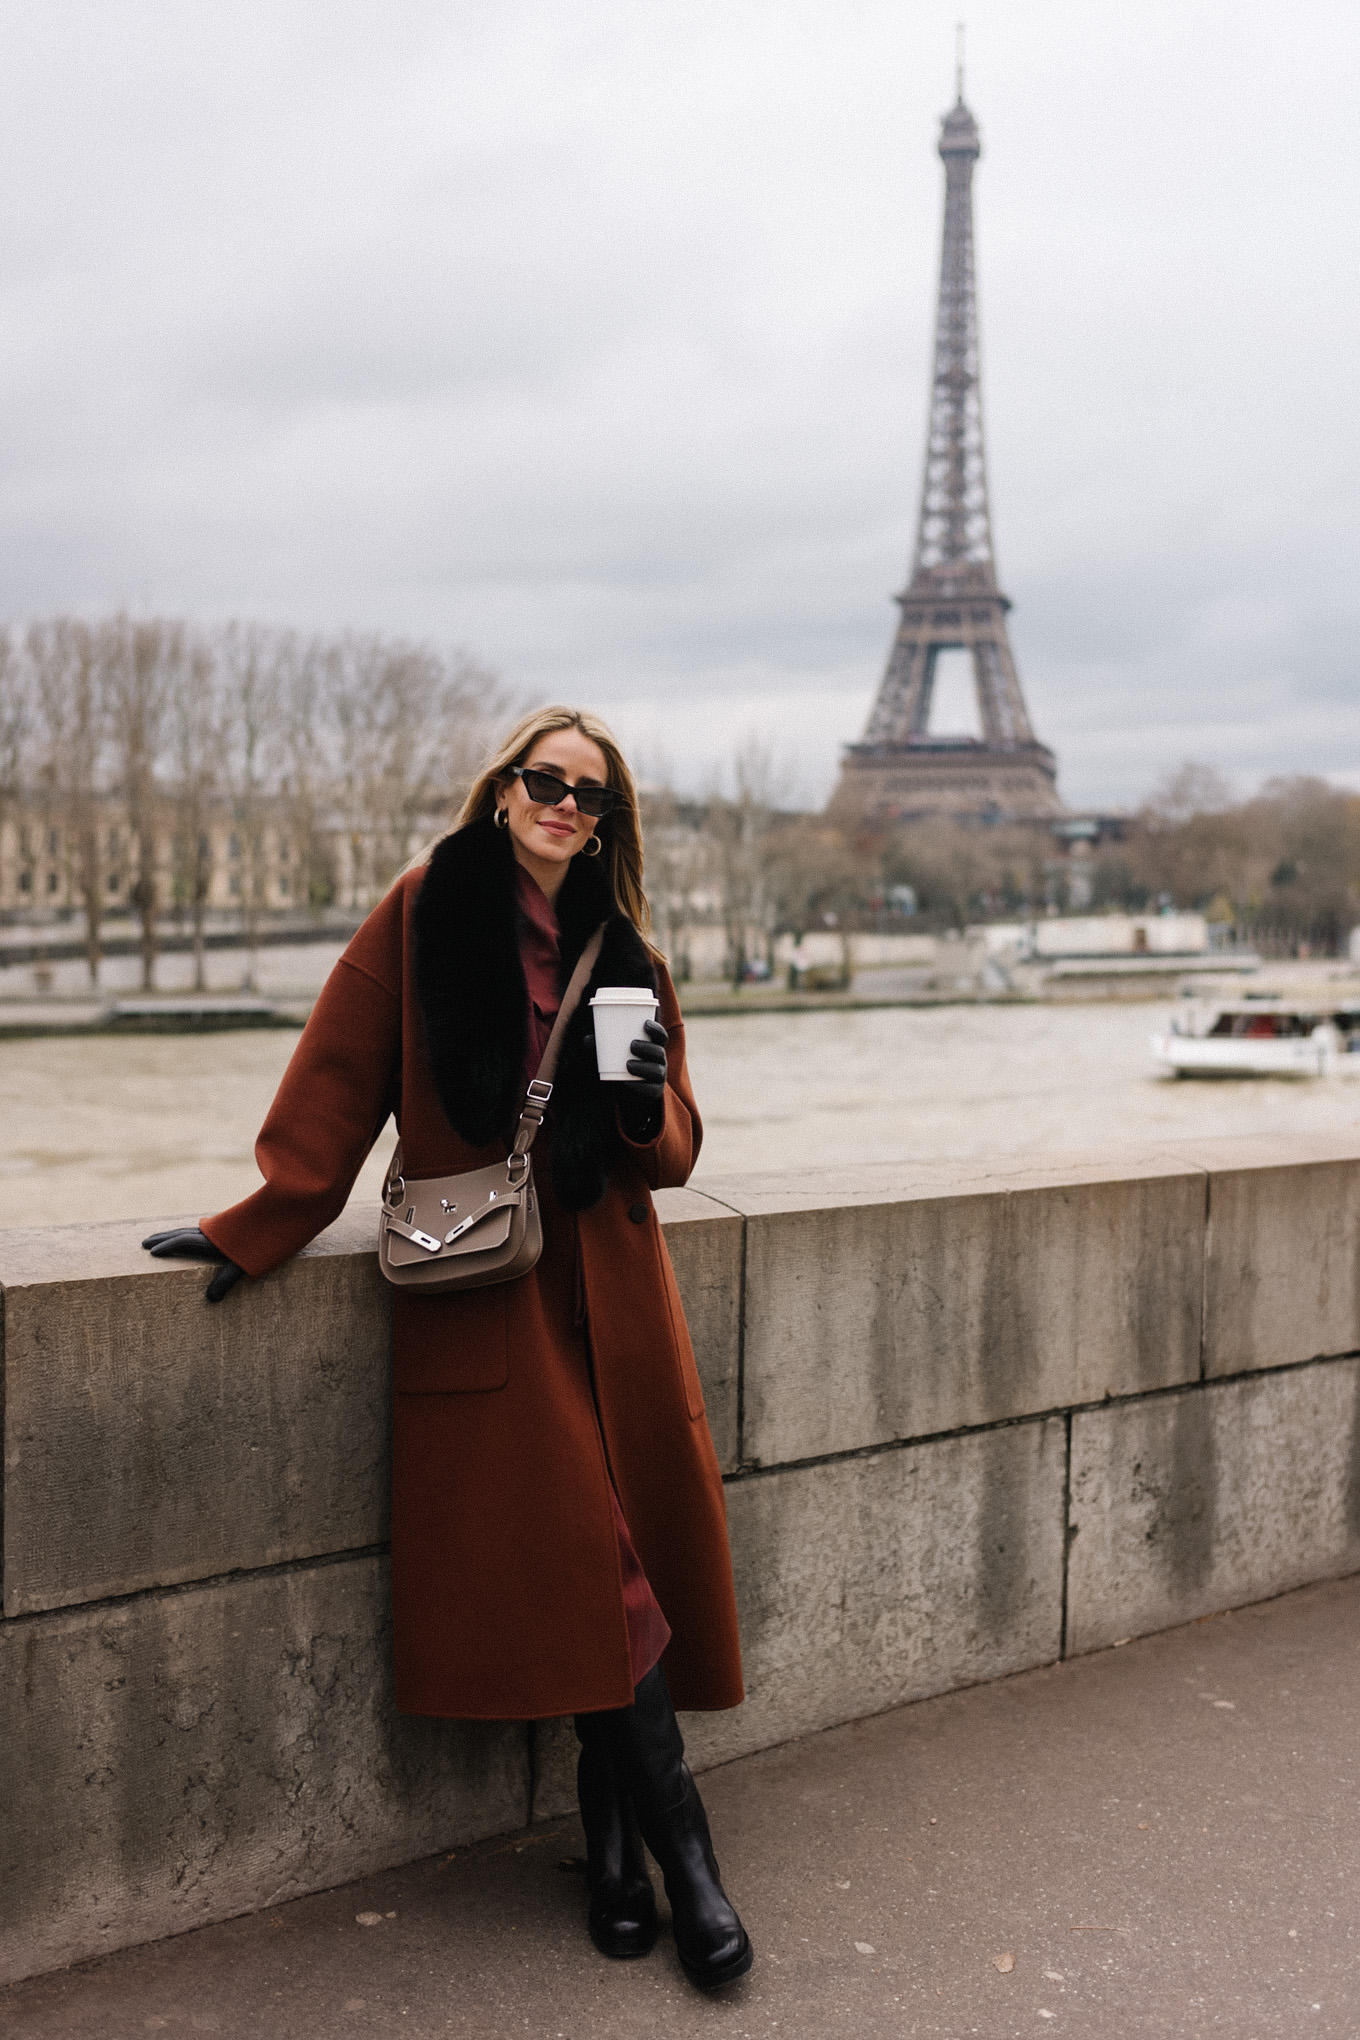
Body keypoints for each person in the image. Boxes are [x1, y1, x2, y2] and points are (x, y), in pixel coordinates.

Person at [143, 705, 752, 1991]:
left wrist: (640, 1098)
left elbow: (678, 1151)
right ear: (501, 791)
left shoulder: (622, 950)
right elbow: (338, 1079)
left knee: (621, 1554)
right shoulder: (425, 911)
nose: (564, 806)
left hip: (617, 1300)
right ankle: (684, 1857)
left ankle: (614, 1856)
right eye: (545, 780)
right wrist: (257, 1224)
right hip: (491, 1292)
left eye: (591, 795)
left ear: (608, 822)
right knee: (606, 1562)